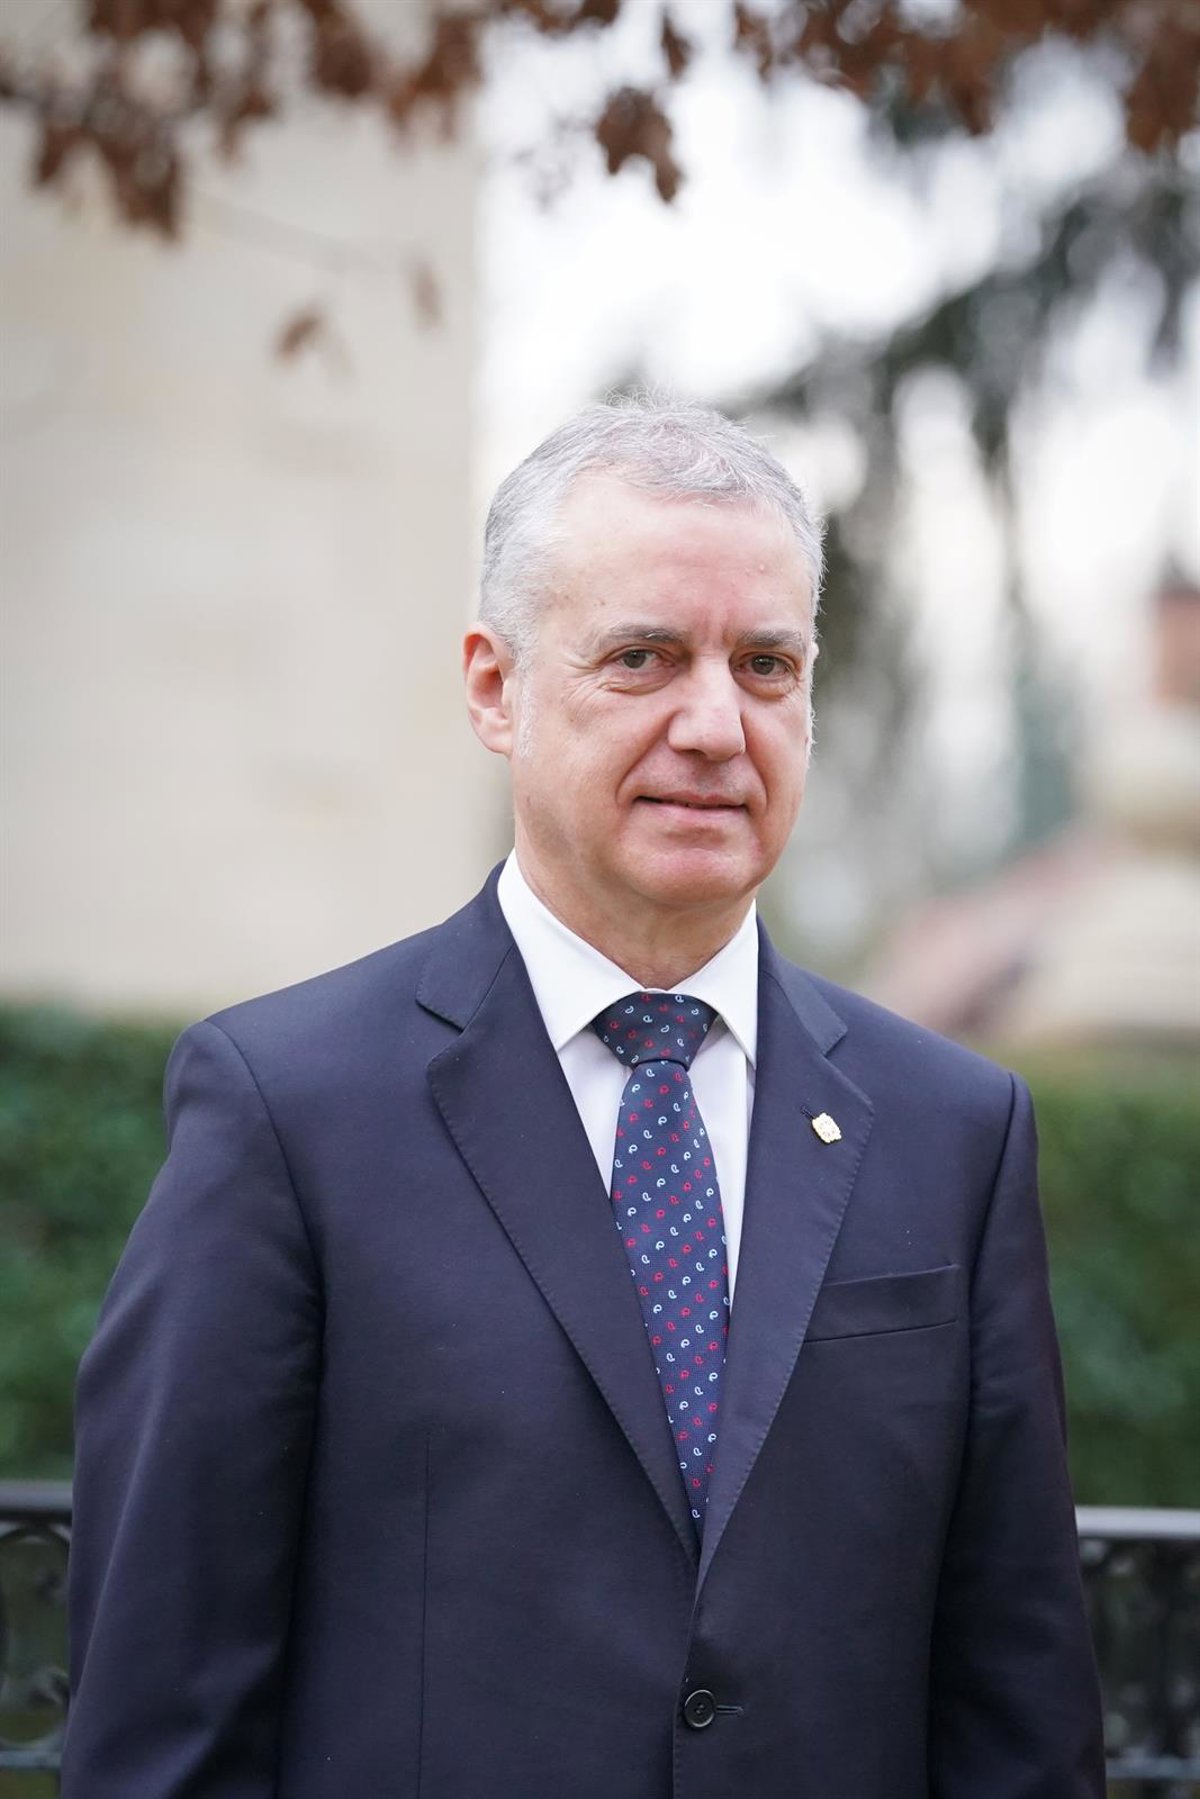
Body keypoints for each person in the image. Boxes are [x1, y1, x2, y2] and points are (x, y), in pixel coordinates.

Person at [63, 398, 1105, 1798]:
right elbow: (164, 1720)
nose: (717, 725)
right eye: (643, 657)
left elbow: (1018, 1707)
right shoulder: (287, 1112)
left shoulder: (954, 1133)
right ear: (494, 688)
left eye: (767, 664)